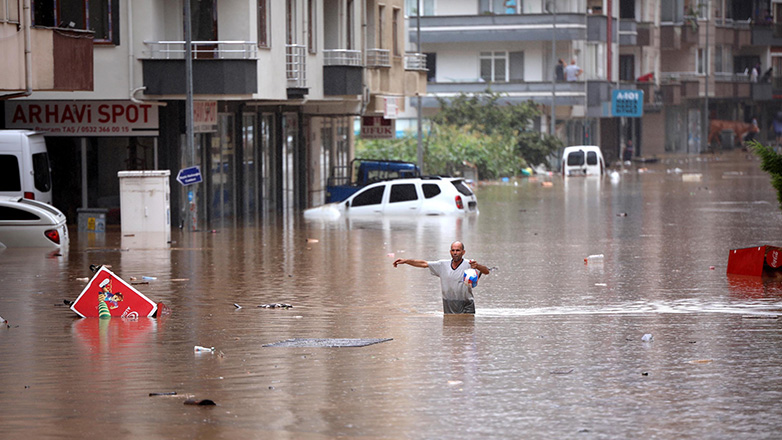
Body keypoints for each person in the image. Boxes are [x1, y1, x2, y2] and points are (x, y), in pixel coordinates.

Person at [393, 241, 490, 314]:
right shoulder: (442, 265)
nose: (455, 252)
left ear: (463, 252)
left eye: (458, 250)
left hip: (466, 304)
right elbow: (424, 263)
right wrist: (406, 261)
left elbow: (486, 271)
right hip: (448, 303)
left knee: (465, 330)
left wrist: (477, 266)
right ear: (450, 252)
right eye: (453, 250)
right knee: (449, 330)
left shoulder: (469, 264)